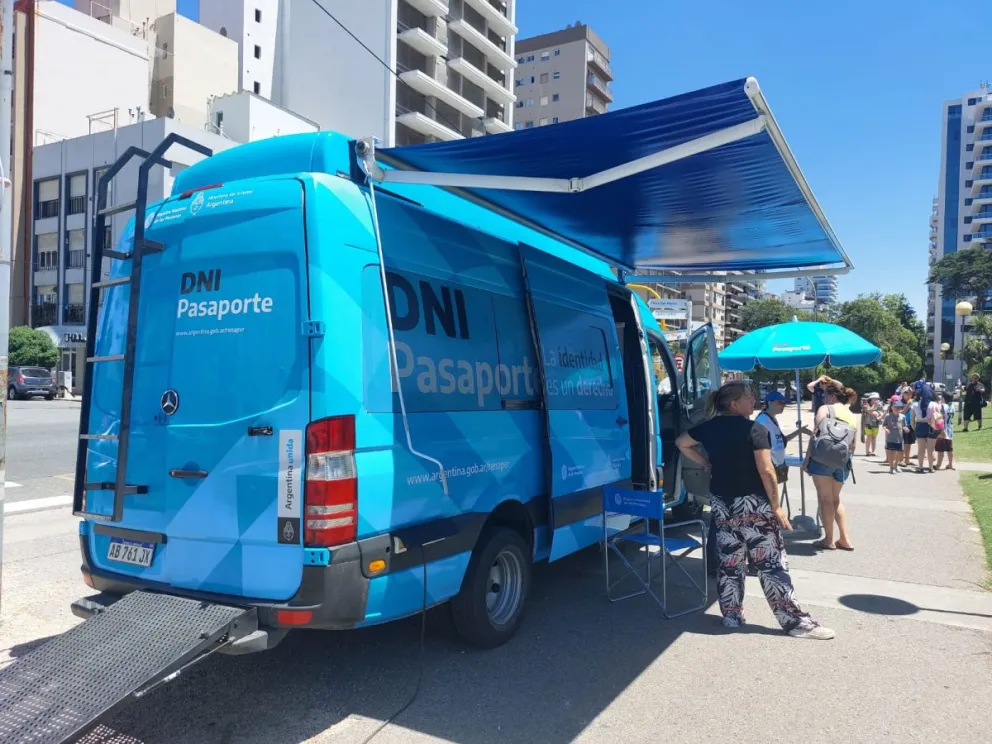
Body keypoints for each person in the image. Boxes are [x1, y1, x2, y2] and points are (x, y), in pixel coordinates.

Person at [675, 382, 834, 640]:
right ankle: (795, 623)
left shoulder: (709, 427)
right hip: (753, 505)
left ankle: (731, 615)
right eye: (749, 398)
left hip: (722, 503)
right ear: (734, 404)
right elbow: (767, 470)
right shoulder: (755, 430)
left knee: (730, 561)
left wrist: (706, 462)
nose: (754, 401)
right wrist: (776, 506)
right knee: (771, 564)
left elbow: (681, 443)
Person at [804, 380, 857, 551]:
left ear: (832, 395)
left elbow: (815, 434)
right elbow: (853, 444)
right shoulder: (851, 414)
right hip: (843, 460)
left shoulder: (825, 409)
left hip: (822, 459)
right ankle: (845, 539)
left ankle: (828, 539)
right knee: (836, 499)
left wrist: (807, 460)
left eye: (826, 395)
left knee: (825, 499)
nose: (824, 398)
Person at [911, 391, 940, 473]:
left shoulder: (915, 405)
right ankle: (931, 467)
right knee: (930, 449)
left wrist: (915, 429)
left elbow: (912, 420)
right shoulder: (934, 404)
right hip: (931, 425)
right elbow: (939, 417)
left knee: (921, 449)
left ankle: (920, 467)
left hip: (920, 425)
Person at [883, 396, 905, 474]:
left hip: (899, 438)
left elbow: (904, 425)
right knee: (891, 453)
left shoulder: (902, 417)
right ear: (891, 407)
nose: (896, 408)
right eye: (895, 407)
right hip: (890, 438)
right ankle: (891, 467)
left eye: (898, 407)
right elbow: (884, 425)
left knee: (899, 453)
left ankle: (896, 465)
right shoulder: (888, 416)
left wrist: (905, 428)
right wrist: (886, 429)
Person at [935, 392, 955, 470]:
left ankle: (938, 465)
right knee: (949, 449)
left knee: (940, 450)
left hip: (943, 429)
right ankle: (950, 464)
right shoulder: (952, 406)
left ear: (943, 398)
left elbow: (940, 417)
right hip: (950, 430)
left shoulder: (943, 406)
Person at [862, 393, 882, 457]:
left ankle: (873, 451)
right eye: (874, 398)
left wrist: (879, 415)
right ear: (871, 399)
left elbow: (881, 412)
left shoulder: (879, 405)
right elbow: (869, 411)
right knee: (869, 436)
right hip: (868, 423)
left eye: (877, 398)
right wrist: (874, 406)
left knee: (874, 437)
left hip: (875, 423)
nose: (876, 400)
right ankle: (867, 451)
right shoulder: (866, 405)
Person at [900, 387, 916, 467]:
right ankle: (901, 460)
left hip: (911, 424)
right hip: (903, 425)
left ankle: (907, 460)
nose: (909, 395)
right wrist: (908, 405)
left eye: (910, 393)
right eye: (906, 393)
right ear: (903, 394)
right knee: (903, 443)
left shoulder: (914, 402)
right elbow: (901, 413)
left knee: (909, 443)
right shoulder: (900, 402)